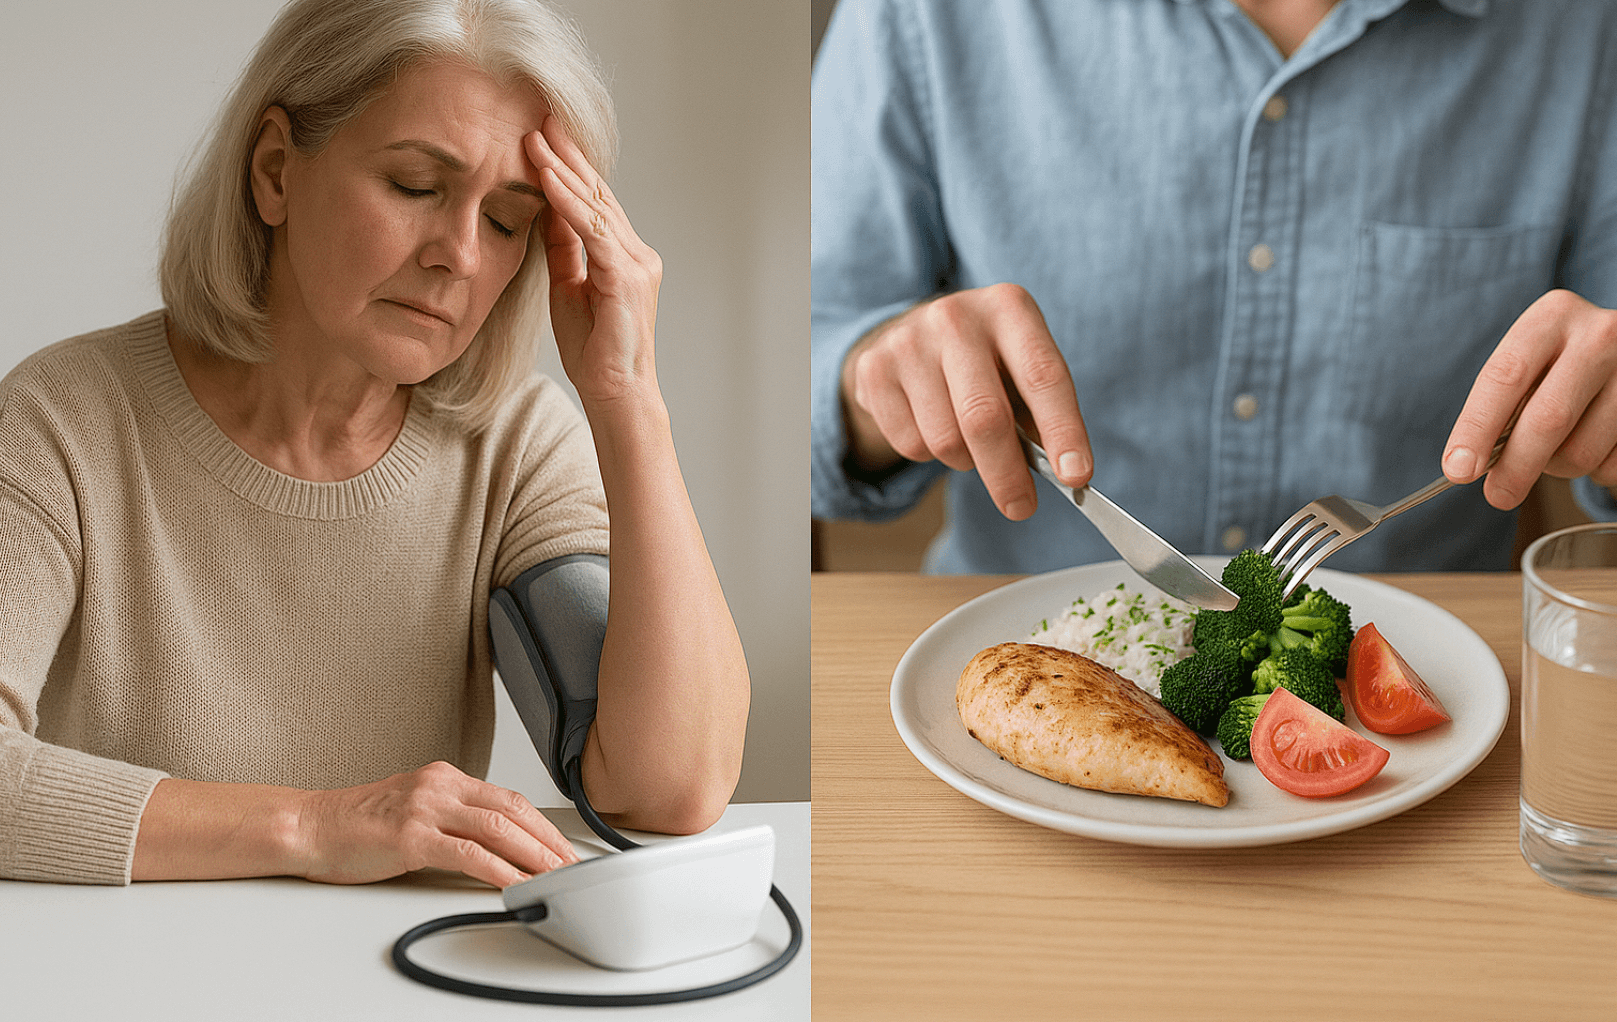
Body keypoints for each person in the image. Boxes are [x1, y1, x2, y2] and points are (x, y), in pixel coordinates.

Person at [0, 0, 749, 887]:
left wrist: (629, 400)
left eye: (508, 221)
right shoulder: (64, 418)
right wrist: (316, 826)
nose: (461, 256)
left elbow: (671, 788)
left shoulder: (514, 447)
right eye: (415, 186)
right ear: (276, 170)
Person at [811, 0, 1617, 575]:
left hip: (1426, 685)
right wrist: (870, 376)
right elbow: (791, 396)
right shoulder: (920, 15)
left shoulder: (1587, 31)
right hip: (1018, 642)